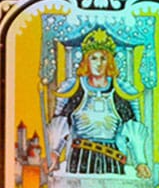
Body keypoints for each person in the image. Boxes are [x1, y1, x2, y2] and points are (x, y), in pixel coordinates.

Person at [48, 29, 150, 178]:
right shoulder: (76, 91)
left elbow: (132, 129)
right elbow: (61, 124)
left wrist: (140, 161)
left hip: (112, 159)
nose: (99, 64)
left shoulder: (119, 93)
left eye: (103, 58)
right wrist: (55, 153)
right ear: (86, 61)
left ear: (109, 62)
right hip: (80, 158)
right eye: (94, 58)